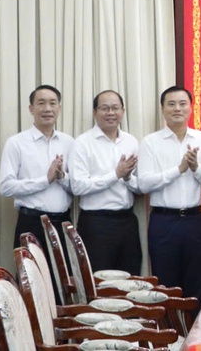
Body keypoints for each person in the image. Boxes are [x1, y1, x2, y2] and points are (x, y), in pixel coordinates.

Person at [136, 86, 201, 301]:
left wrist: (196, 168)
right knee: (165, 285)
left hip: (196, 220)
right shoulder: (150, 142)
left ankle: (195, 324)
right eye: (171, 104)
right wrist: (178, 170)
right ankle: (169, 324)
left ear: (191, 107)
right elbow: (144, 184)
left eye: (182, 103)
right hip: (164, 222)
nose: (177, 108)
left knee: (198, 281)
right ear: (163, 109)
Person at [68, 90, 142, 275]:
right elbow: (78, 186)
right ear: (95, 112)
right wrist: (115, 175)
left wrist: (127, 178)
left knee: (130, 279)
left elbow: (138, 186)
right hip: (96, 224)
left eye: (115, 108)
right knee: (98, 281)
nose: (110, 113)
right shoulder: (82, 143)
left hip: (127, 221)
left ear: (123, 111)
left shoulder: (131, 141)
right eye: (105, 108)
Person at [0, 85, 75, 258]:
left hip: (63, 223)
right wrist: (45, 180)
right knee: (30, 274)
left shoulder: (69, 142)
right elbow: (5, 187)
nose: (47, 109)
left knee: (64, 275)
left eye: (52, 103)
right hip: (31, 223)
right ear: (31, 108)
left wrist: (62, 177)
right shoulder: (16, 143)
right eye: (41, 103)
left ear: (59, 108)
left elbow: (78, 187)